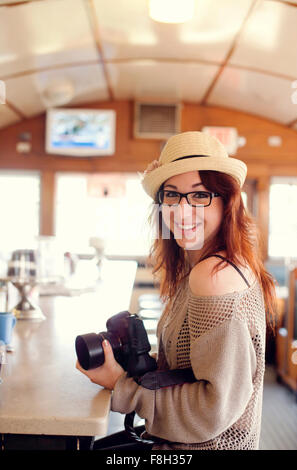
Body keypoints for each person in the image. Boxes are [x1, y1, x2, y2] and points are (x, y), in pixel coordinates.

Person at [76, 131, 277, 450]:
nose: (182, 212)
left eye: (200, 195)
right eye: (172, 195)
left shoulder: (214, 275)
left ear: (226, 202)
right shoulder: (201, 265)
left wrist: (121, 386)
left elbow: (214, 408)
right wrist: (129, 365)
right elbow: (187, 370)